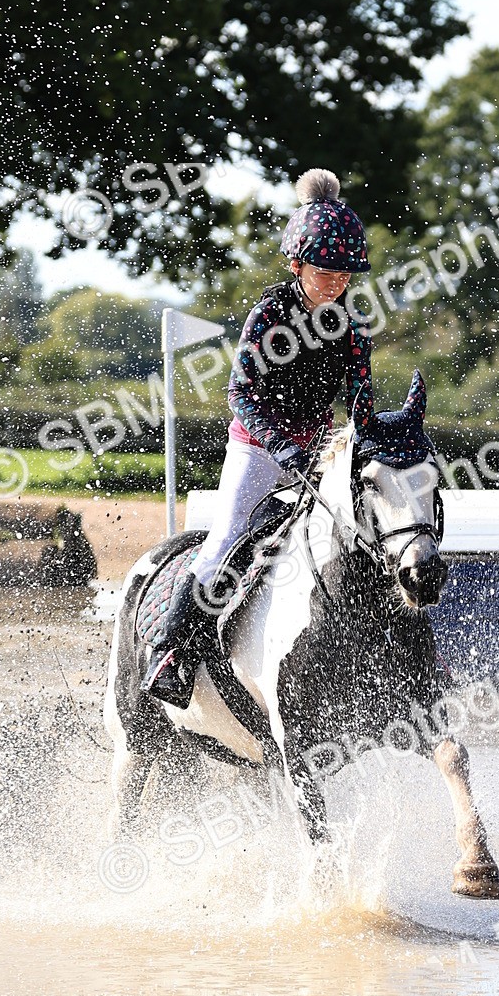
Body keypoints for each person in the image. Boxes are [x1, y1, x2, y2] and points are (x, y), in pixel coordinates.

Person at [141, 168, 374, 706]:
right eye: (325, 273)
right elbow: (240, 393)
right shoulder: (269, 314)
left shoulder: (354, 327)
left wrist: (368, 443)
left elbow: (361, 404)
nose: (336, 284)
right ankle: (170, 654)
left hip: (317, 452)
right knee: (225, 542)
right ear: (297, 266)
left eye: (344, 275)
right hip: (256, 448)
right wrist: (280, 445)